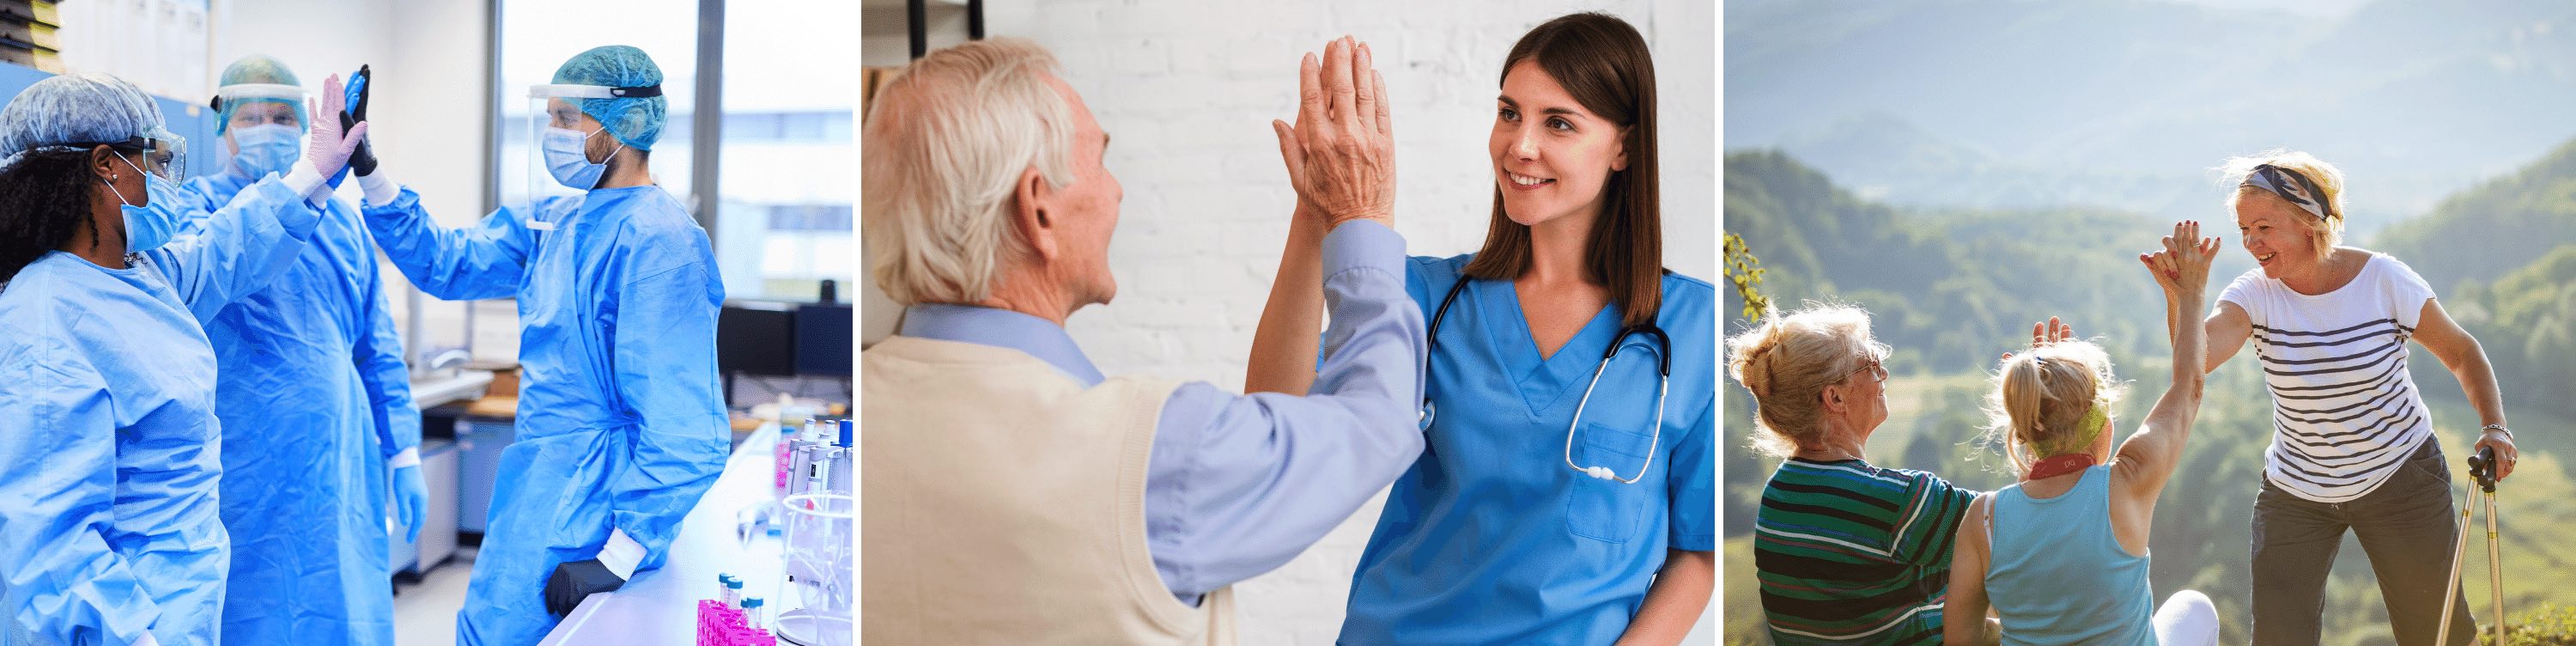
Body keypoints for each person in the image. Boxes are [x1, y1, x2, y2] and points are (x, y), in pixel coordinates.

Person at [860, 36, 1420, 644]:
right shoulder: (1156, 452)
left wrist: (1315, 221)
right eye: (1100, 160)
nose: (1117, 189)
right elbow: (1374, 423)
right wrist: (1359, 213)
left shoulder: (852, 416)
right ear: (1038, 210)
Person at [1246, 14, 1715, 643]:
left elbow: (1698, 552)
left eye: (1559, 122)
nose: (1519, 146)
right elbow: (1273, 423)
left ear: (1624, 147)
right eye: (1509, 113)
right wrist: (1316, 217)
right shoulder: (1425, 298)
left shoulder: (1693, 327)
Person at [350, 45, 728, 644]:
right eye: (548, 117)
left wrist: (619, 554)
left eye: (565, 119)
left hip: (602, 510)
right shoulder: (554, 222)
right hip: (537, 489)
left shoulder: (663, 244)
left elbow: (685, 430)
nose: (552, 134)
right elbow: (445, 262)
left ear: (621, 124)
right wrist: (370, 170)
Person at [0, 70, 366, 646]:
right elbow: (49, 537)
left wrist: (311, 175)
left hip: (177, 606)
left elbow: (225, 250)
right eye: (157, 158)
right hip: (121, 626)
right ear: (107, 166)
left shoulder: (139, 275)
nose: (167, 178)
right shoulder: (45, 318)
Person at [2190, 150, 2511, 644]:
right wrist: (2183, 296)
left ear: (2309, 222)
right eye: (2243, 230)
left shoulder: (2384, 280)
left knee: (2436, 634)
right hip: (2297, 489)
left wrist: (2493, 426)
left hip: (2401, 474)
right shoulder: (2253, 294)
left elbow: (2463, 352)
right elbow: (2196, 360)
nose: (2251, 243)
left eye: (2263, 228)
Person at [177, 54, 422, 646]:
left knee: (340, 610)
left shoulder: (343, 226)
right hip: (243, 464)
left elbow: (377, 347)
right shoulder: (195, 213)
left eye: (283, 116)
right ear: (222, 125)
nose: (267, 127)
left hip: (339, 462)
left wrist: (404, 451)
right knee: (248, 614)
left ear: (306, 126)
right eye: (252, 115)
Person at [1941, 222, 2224, 646]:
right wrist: (2190, 293)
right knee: (2195, 608)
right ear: (2102, 429)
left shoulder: (1982, 520)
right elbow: (2189, 386)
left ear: (2024, 432)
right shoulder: (2126, 483)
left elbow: (1961, 640)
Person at [1725, 303, 1980, 645]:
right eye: (1871, 364)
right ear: (1834, 397)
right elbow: (2017, 524)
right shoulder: (1894, 503)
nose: (1884, 374)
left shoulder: (1778, 493)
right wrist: (2043, 408)